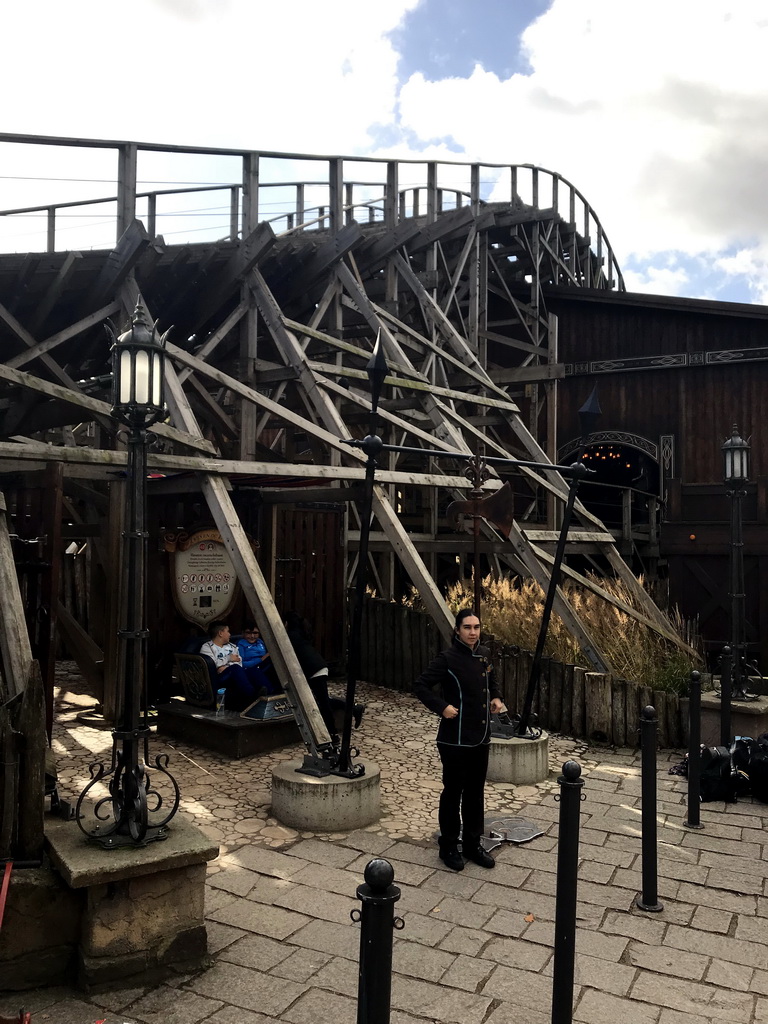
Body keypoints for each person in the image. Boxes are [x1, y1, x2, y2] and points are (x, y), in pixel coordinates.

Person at [413, 607, 503, 872]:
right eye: (467, 628)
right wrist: (441, 707)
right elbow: (420, 685)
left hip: (481, 737)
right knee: (453, 793)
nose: (473, 632)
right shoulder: (447, 659)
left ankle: (473, 845)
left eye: (476, 627)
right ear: (457, 630)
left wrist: (496, 696)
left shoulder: (484, 655)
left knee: (475, 794)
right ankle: (449, 846)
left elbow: (491, 678)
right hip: (454, 740)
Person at [284, 611, 364, 740]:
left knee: (323, 703)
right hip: (319, 667)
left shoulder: (291, 636)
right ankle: (353, 708)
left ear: (286, 623)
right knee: (322, 699)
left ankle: (332, 732)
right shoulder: (300, 633)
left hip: (314, 670)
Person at [199, 621, 268, 712]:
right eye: (227, 631)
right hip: (220, 677)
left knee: (253, 670)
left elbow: (239, 662)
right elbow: (211, 664)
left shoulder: (232, 646)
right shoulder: (207, 647)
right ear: (220, 633)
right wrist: (228, 658)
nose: (229, 634)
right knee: (235, 669)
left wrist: (226, 666)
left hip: (233, 672)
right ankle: (252, 697)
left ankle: (270, 696)